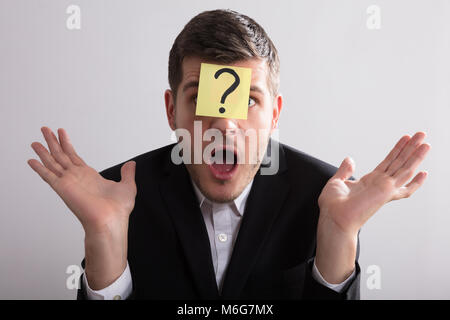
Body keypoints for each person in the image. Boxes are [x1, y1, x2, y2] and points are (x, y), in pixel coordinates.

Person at [27, 9, 430, 300]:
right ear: (172, 110)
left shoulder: (328, 198)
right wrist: (105, 239)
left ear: (274, 114)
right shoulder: (115, 197)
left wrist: (340, 237)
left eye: (247, 100)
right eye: (202, 98)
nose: (224, 124)